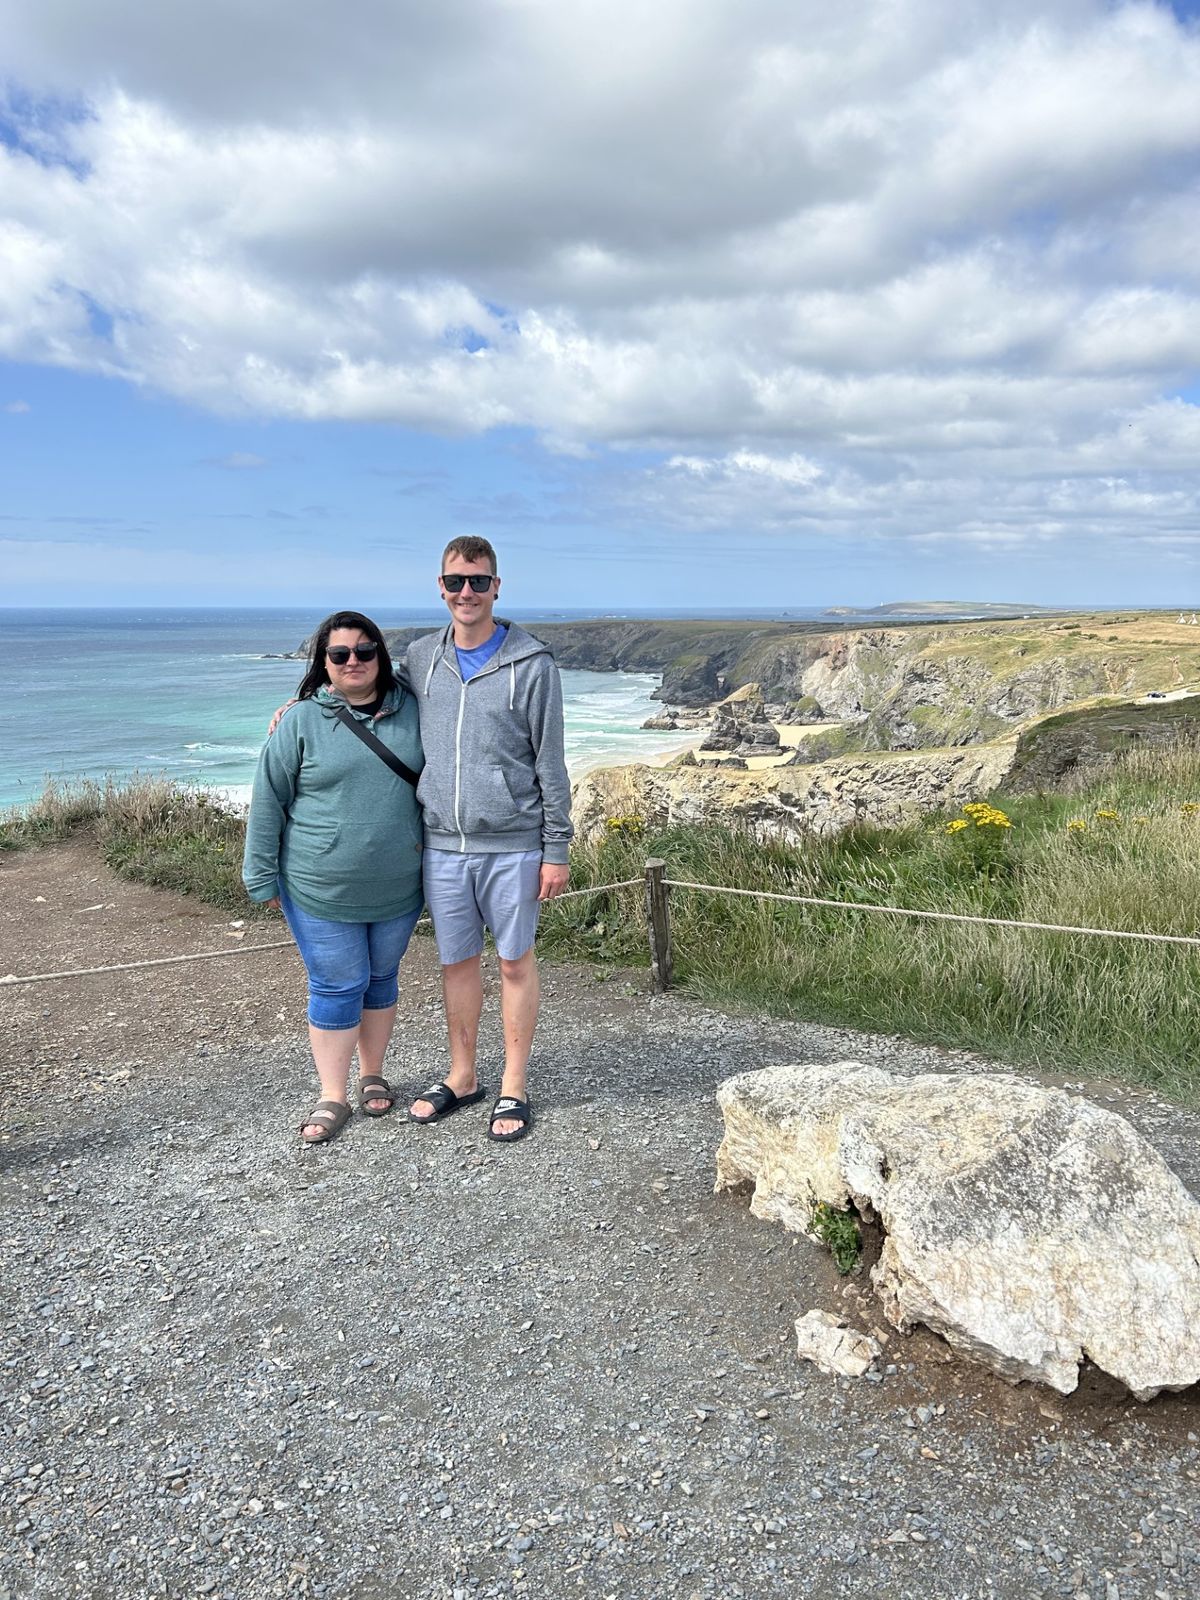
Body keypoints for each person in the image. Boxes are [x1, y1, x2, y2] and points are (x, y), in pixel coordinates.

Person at [406, 535, 572, 1142]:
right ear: (441, 587)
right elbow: (359, 694)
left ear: (497, 586)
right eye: (456, 582)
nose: (466, 592)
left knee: (513, 963)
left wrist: (558, 849)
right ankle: (463, 1075)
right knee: (456, 965)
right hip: (443, 844)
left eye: (478, 581)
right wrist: (300, 703)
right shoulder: (420, 659)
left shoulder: (533, 665)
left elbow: (551, 764)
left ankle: (514, 1085)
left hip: (514, 844)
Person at [243, 611, 425, 1144]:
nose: (354, 662)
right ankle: (333, 1094)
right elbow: (268, 799)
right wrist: (260, 876)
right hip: (318, 884)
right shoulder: (300, 721)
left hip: (399, 883)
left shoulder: (414, 709)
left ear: (380, 657)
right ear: (323, 662)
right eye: (340, 654)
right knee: (337, 983)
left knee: (380, 979)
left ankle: (372, 1074)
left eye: (365, 651)